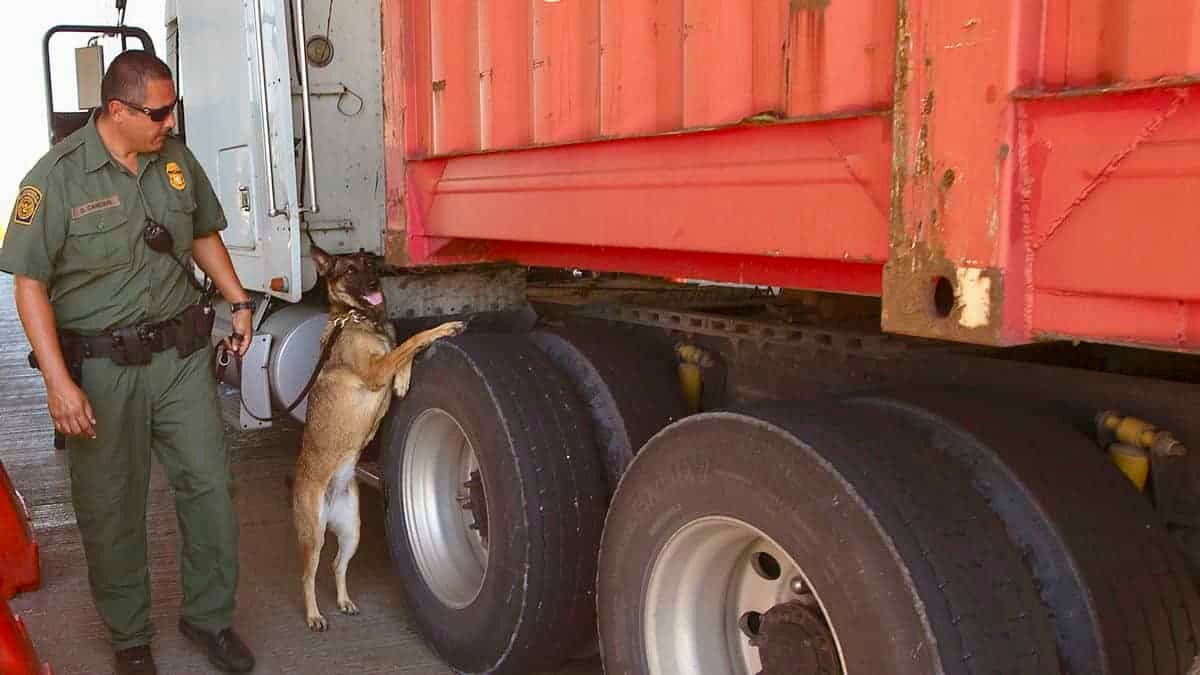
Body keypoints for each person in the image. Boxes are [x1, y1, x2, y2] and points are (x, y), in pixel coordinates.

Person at [0, 51, 256, 674]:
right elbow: (28, 283)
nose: (170, 121)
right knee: (112, 507)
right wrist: (59, 384)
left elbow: (200, 231)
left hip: (179, 359)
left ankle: (208, 617)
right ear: (118, 109)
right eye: (159, 111)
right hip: (102, 370)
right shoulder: (54, 178)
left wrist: (237, 299)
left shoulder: (174, 161)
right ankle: (130, 638)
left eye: (173, 109)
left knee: (211, 491)